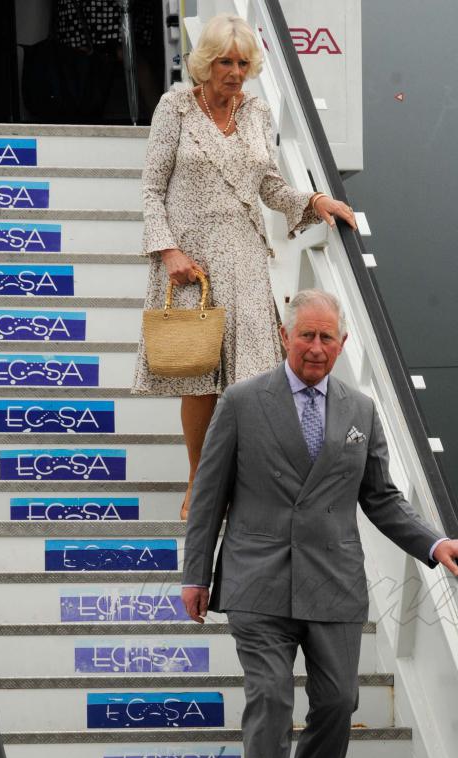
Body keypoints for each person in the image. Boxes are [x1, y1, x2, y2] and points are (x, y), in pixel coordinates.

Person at [181, 289, 458, 758]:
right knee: (270, 700)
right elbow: (209, 494)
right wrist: (196, 574)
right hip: (257, 579)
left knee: (339, 703)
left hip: (333, 582)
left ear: (342, 344)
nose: (316, 347)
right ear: (285, 337)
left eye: (327, 338)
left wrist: (433, 543)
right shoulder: (242, 402)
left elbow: (381, 498)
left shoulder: (360, 410)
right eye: (306, 336)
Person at [132, 14, 356, 518]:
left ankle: (243, 484)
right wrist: (168, 251)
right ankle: (199, 482)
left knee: (250, 381)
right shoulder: (175, 107)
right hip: (190, 264)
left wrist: (314, 201)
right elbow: (151, 189)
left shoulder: (255, 112)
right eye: (224, 62)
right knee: (199, 379)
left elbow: (269, 186)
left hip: (246, 260)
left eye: (242, 63)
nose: (235, 72)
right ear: (205, 63)